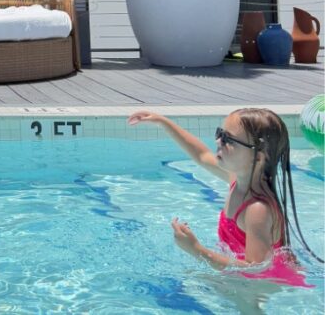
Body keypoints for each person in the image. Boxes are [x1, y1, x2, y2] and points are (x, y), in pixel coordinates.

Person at [128, 108, 320, 287]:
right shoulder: (238, 179)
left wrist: (197, 250)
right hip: (245, 276)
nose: (218, 141)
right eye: (220, 133)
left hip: (268, 285)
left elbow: (257, 268)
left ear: (259, 157)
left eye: (228, 139)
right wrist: (163, 122)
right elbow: (201, 155)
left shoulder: (257, 210)